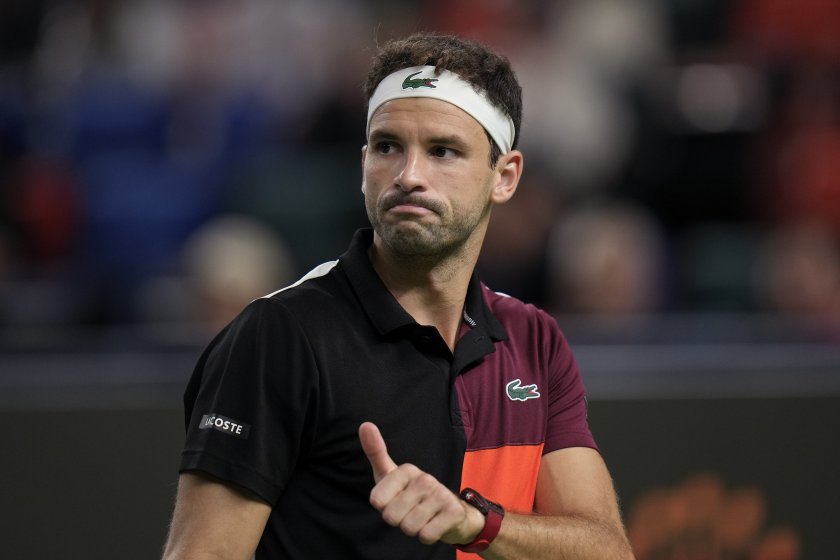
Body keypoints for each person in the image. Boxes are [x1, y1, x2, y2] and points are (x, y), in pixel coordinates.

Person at [161, 32, 634, 560]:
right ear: (364, 164)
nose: (409, 176)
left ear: (504, 177)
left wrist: (477, 525)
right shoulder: (279, 335)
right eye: (388, 147)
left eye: (442, 151)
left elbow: (607, 551)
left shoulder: (534, 339)